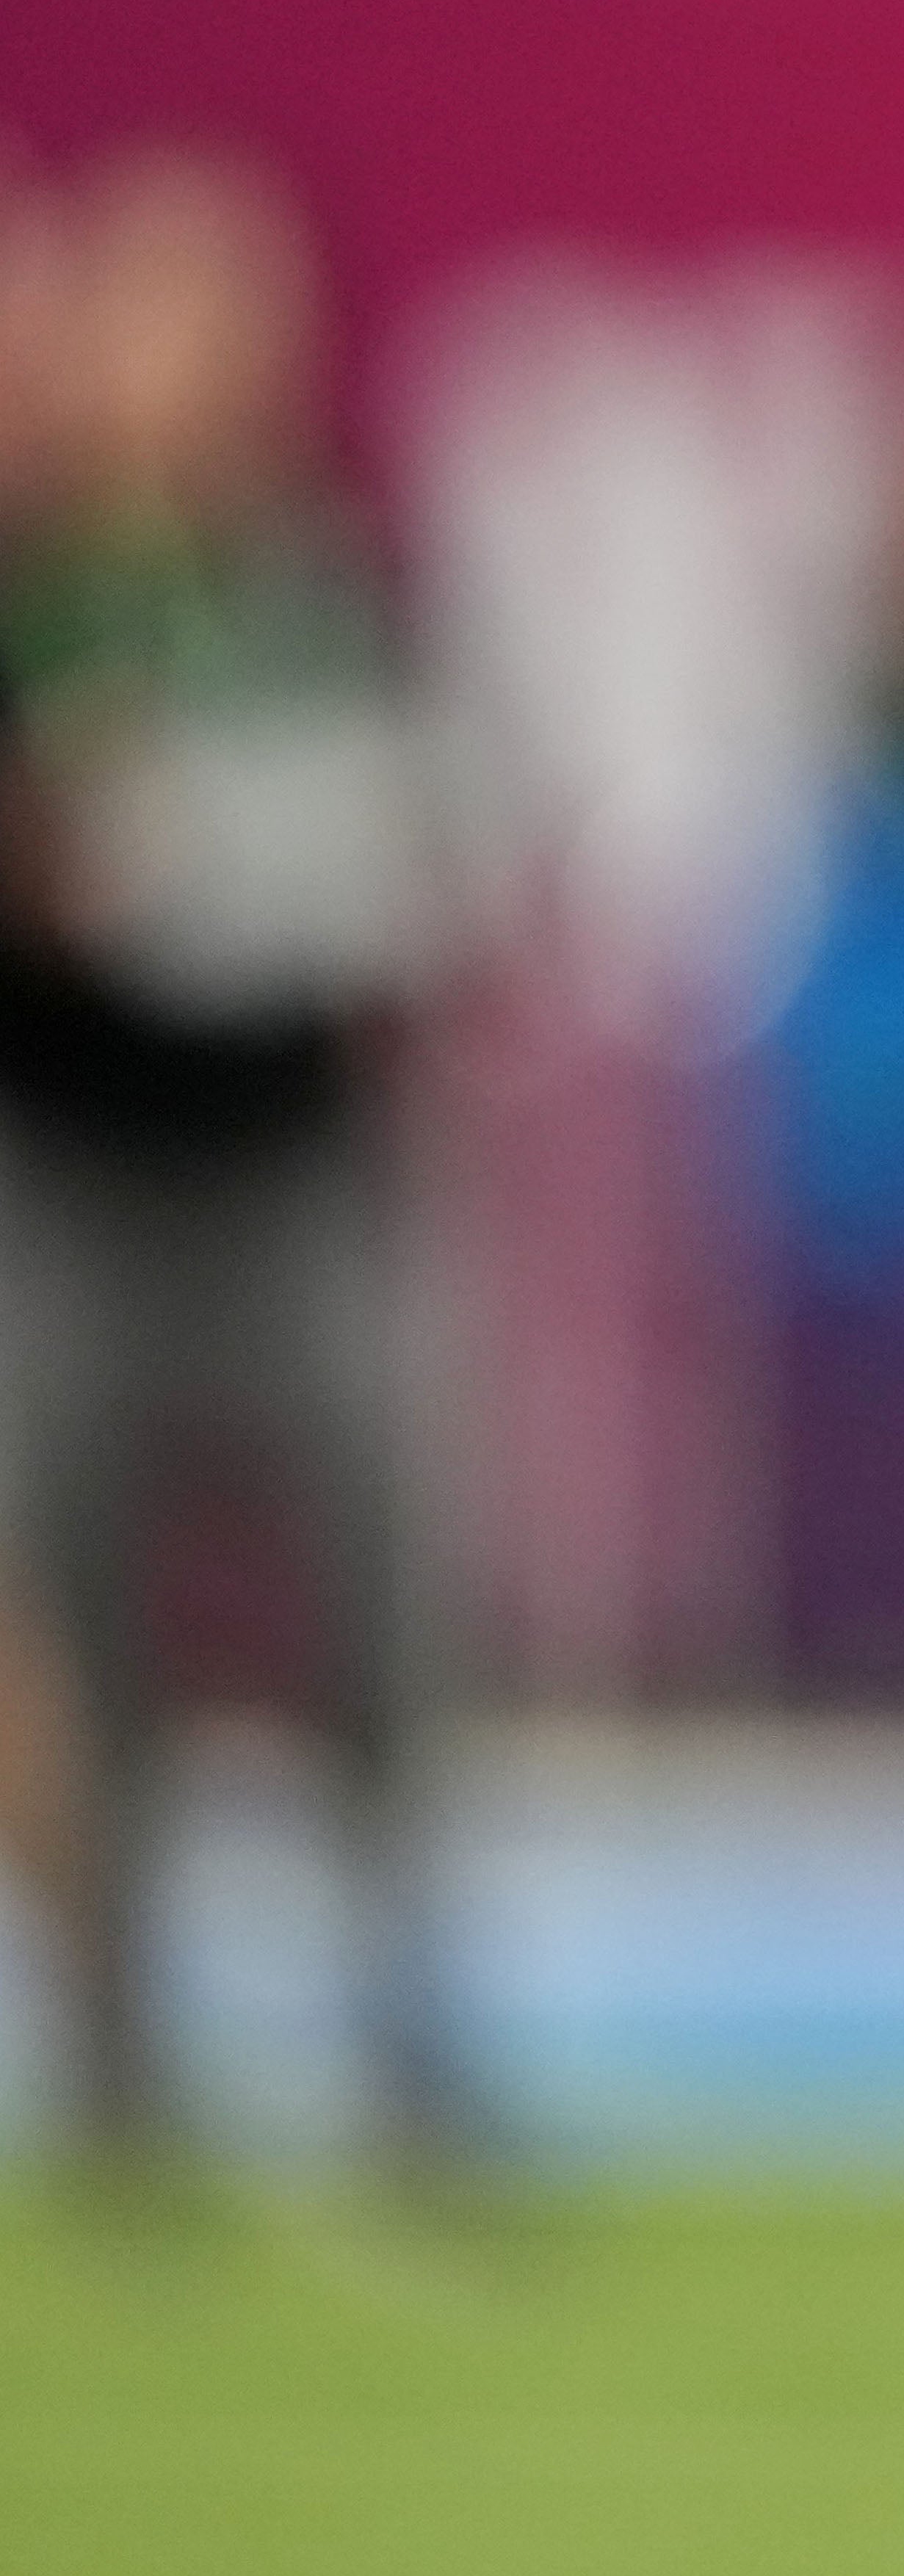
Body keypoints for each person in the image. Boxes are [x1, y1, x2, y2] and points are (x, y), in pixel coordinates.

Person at [0, 147, 465, 2195]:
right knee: (87, 1638)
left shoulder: (330, 586)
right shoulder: (37, 598)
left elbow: (433, 835)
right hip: (72, 1169)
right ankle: (119, 2072)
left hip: (293, 1166)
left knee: (374, 1626)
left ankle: (407, 2050)